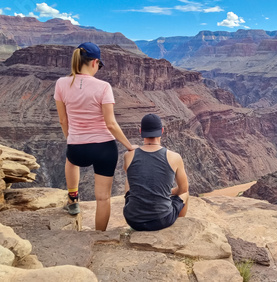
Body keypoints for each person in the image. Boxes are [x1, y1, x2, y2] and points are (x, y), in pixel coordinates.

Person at [54, 42, 135, 231]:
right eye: (99, 65)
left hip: (76, 148)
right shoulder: (104, 87)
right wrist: (129, 146)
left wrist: (72, 138)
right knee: (103, 198)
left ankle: (73, 198)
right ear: (94, 62)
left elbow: (63, 120)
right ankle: (100, 236)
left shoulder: (61, 83)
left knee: (70, 160)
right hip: (104, 149)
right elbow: (111, 124)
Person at [123, 113, 189, 231]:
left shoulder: (128, 155)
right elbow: (183, 189)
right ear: (162, 131)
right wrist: (167, 192)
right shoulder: (174, 157)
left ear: (140, 131)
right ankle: (178, 226)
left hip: (133, 220)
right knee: (185, 194)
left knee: (131, 173)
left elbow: (130, 174)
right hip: (162, 220)